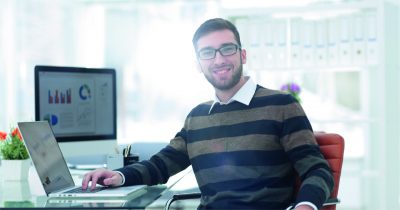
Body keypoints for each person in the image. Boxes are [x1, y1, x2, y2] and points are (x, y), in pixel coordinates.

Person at [82, 18, 334, 210]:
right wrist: (118, 175)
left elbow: (317, 170)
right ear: (198, 64)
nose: (218, 59)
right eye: (207, 53)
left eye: (227, 49)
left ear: (242, 54)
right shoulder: (197, 118)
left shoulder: (281, 105)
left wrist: (305, 206)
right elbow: (160, 165)